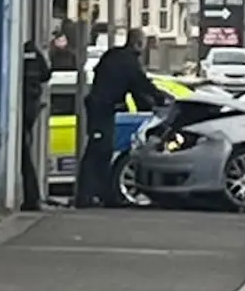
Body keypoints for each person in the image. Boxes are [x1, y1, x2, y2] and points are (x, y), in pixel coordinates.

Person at [74, 28, 167, 208]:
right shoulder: (129, 62)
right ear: (138, 43)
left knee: (103, 151)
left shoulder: (113, 55)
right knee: (96, 151)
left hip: (100, 107)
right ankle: (85, 197)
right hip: (103, 108)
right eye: (143, 43)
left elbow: (134, 87)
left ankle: (101, 195)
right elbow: (141, 84)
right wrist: (159, 98)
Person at [21, 39, 52, 211]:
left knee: (24, 154)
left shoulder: (21, 52)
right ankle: (32, 197)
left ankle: (31, 198)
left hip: (24, 103)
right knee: (26, 151)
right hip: (32, 103)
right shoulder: (34, 52)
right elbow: (46, 74)